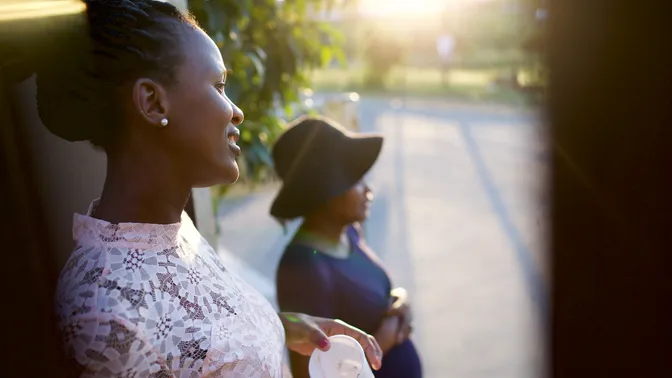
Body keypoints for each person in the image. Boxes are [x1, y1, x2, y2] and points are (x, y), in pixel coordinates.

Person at [38, 1, 382, 376]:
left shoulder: (172, 229)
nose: (237, 111)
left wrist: (277, 326)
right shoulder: (104, 321)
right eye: (219, 86)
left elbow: (195, 339)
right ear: (153, 102)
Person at [271, 116, 423, 378]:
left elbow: (372, 295)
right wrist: (387, 334)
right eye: (357, 179)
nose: (369, 190)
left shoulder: (349, 233)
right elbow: (309, 372)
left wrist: (400, 301)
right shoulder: (303, 268)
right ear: (327, 189)